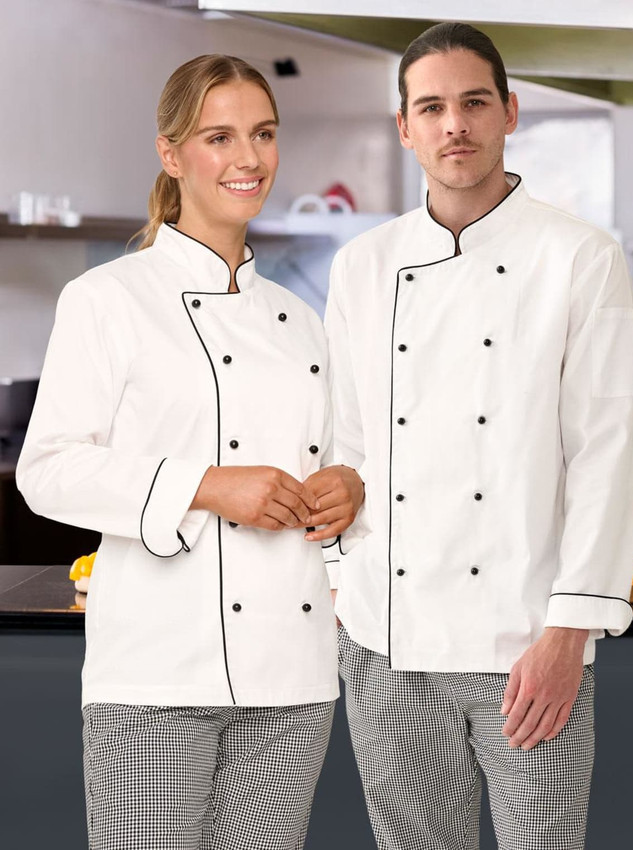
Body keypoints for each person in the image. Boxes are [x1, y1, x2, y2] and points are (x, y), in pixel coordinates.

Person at [16, 54, 363, 850]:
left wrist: (348, 488)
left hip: (291, 677)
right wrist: (205, 486)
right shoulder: (107, 300)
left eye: (264, 134)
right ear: (172, 155)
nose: (248, 158)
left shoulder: (302, 326)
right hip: (155, 674)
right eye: (220, 136)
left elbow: (340, 471)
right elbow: (48, 470)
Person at [311, 21, 633, 850]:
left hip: (528, 643)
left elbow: (604, 454)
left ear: (509, 112)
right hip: (389, 643)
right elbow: (343, 445)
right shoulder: (363, 265)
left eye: (472, 102)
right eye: (432, 107)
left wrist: (570, 634)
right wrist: (341, 586)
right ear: (405, 127)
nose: (453, 123)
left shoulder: (579, 257)